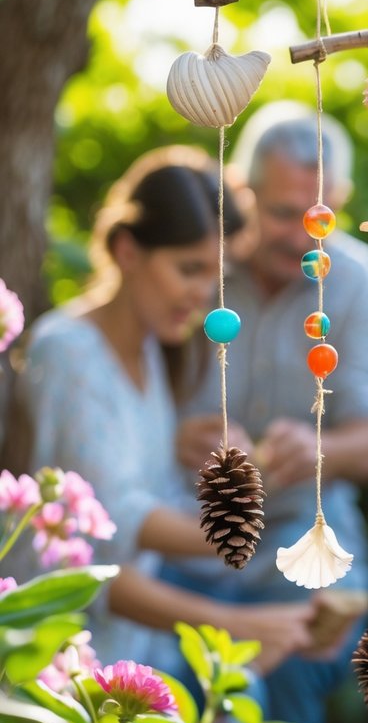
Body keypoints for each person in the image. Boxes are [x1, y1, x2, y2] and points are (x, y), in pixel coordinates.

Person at [167, 103, 368, 723]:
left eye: (317, 217)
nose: (298, 235)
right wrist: (179, 435)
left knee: (293, 683)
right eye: (279, 212)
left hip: (302, 545)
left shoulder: (353, 281)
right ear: (241, 193)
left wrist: (319, 454)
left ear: (343, 205)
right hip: (184, 545)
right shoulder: (196, 268)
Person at [22, 146, 315, 674]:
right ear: (127, 250)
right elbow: (111, 530)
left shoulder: (155, 352)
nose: (201, 295)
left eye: (213, 276)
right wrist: (239, 535)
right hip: (57, 660)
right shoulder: (66, 349)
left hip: (127, 646)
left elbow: (143, 498)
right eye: (188, 269)